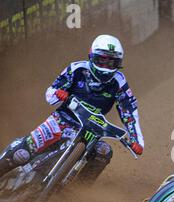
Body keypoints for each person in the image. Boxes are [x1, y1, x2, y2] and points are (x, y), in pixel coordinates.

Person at [0, 35, 144, 182]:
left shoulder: (119, 82)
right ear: (92, 56)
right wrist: (58, 94)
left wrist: (136, 140)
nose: (106, 66)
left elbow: (129, 111)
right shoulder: (77, 69)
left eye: (111, 62)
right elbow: (51, 92)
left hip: (91, 132)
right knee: (22, 154)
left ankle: (78, 191)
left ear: (118, 63)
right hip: (61, 120)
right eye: (102, 60)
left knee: (103, 152)